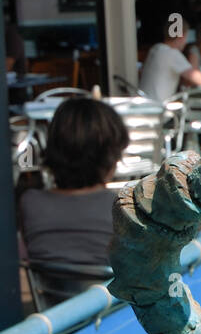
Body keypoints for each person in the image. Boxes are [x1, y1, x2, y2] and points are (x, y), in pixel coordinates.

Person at [20, 98, 128, 269]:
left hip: (53, 294)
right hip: (109, 295)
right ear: (110, 159)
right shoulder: (121, 209)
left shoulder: (30, 203)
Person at [140, 23, 201, 103]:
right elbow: (199, 79)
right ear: (182, 37)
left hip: (144, 104)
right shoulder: (172, 54)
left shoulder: (155, 49)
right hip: (158, 108)